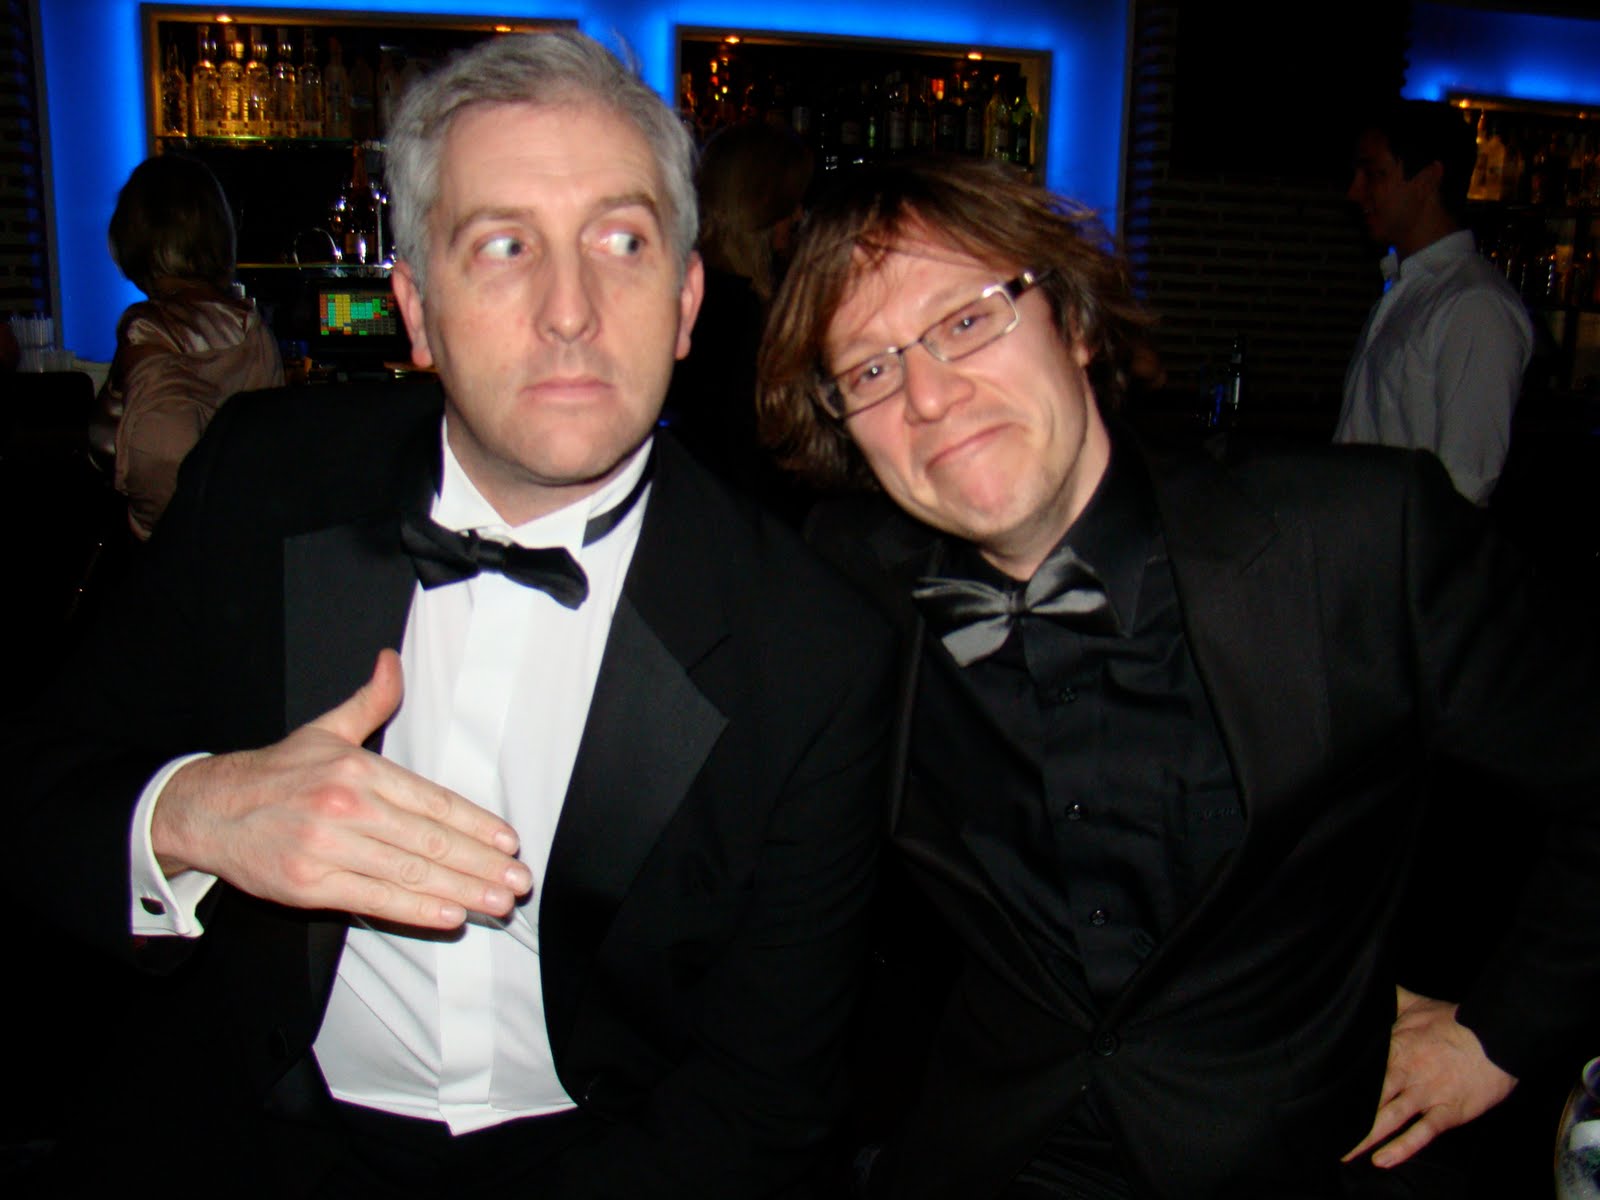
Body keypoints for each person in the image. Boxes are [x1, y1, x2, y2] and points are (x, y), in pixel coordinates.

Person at [6, 31, 891, 1198]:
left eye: (621, 243)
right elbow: (36, 796)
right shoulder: (260, 484)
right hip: (250, 1130)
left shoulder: (816, 645)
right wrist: (197, 815)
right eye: (503, 245)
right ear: (416, 311)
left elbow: (765, 1097)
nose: (570, 311)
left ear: (685, 303)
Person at [757, 156, 1600, 1200]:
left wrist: (1502, 1031)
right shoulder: (850, 580)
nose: (929, 395)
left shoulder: (1354, 541)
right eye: (871, 371)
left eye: (967, 321)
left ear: (1071, 322)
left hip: (1303, 1153)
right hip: (1004, 1150)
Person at [1334, 101, 1532, 505]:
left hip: (1402, 543)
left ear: (1427, 180)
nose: (1355, 192)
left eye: (1374, 174)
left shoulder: (1474, 304)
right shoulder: (1408, 289)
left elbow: (1465, 483)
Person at [87, 152, 284, 539]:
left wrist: (154, 540)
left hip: (175, 555)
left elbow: (160, 453)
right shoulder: (252, 328)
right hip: (247, 542)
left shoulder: (151, 331)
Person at [665, 121, 814, 520]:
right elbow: (751, 460)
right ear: (762, 206)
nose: (799, 215)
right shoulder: (736, 315)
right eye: (791, 204)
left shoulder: (701, 297)